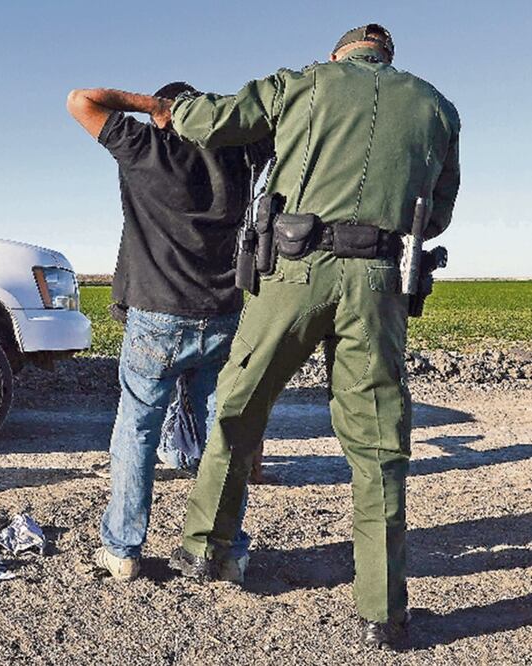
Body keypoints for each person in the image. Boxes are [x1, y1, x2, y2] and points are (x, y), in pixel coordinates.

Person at [158, 25, 460, 650]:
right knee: (379, 443)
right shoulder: (436, 107)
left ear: (337, 56)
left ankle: (205, 549)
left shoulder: (302, 83)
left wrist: (170, 109)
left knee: (239, 406)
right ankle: (383, 610)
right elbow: (440, 210)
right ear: (388, 59)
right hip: (381, 281)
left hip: (295, 271)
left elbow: (208, 121)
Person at [66, 84, 271, 583]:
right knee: (223, 433)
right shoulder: (241, 157)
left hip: (156, 314)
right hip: (223, 313)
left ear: (165, 116)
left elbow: (81, 100)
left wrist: (154, 109)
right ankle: (225, 551)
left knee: (136, 429)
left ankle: (123, 549)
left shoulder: (145, 148)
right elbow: (276, 126)